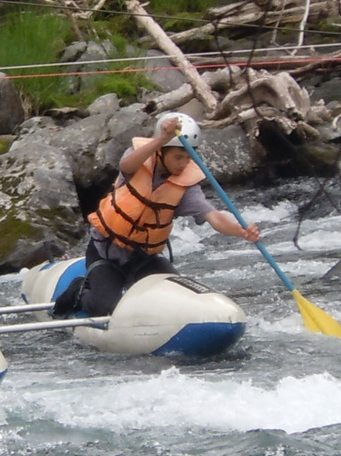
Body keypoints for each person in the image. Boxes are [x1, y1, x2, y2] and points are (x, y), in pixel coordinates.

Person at [53, 112, 261, 318]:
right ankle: (79, 291)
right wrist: (162, 138)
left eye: (188, 158)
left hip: (145, 258)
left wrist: (241, 231)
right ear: (160, 152)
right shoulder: (138, 160)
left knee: (176, 299)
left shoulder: (186, 188)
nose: (183, 164)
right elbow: (125, 166)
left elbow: (213, 216)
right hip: (106, 253)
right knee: (104, 307)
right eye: (178, 157)